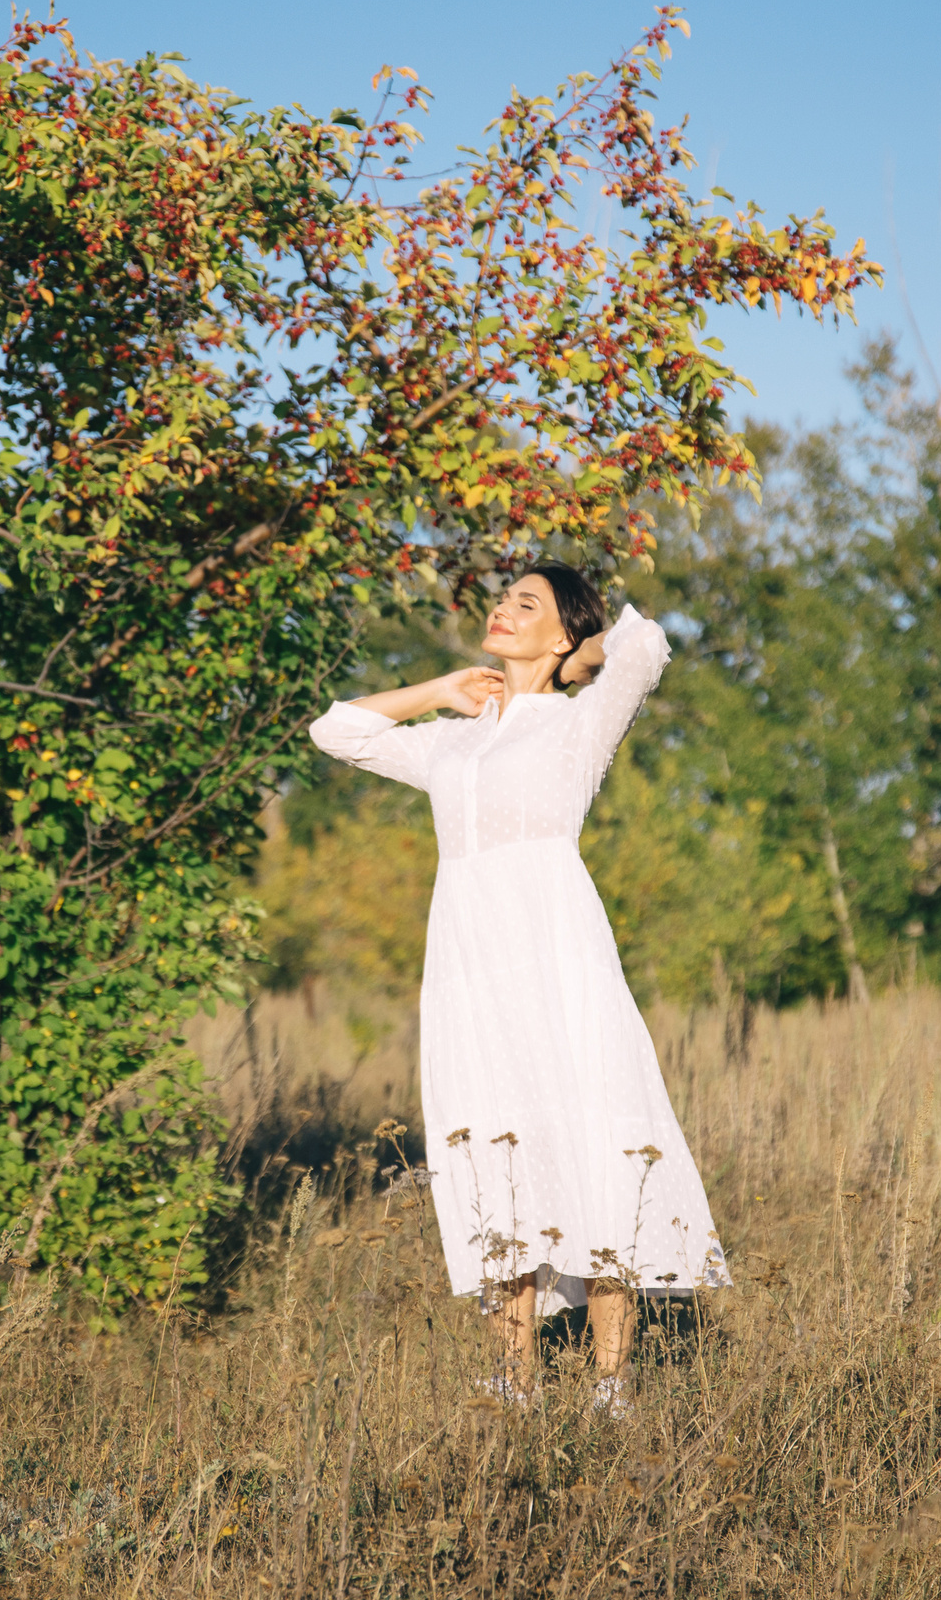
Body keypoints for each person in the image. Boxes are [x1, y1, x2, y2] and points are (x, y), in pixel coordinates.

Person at [306, 561, 728, 1417]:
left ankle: (612, 1382)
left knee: (591, 1144)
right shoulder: (452, 742)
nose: (502, 609)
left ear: (563, 632)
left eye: (525, 603)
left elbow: (646, 643)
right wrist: (438, 689)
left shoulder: (578, 724)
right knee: (492, 1149)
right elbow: (335, 730)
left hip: (560, 962)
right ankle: (513, 1374)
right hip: (469, 975)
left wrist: (580, 661)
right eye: (502, 598)